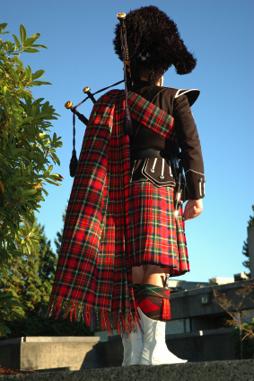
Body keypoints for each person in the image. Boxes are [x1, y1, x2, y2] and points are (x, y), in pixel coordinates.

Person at [48, 5, 205, 366]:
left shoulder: (113, 103)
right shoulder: (174, 99)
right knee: (154, 266)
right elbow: (192, 147)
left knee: (130, 267)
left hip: (121, 185)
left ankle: (134, 353)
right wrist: (197, 195)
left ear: (128, 64)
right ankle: (155, 351)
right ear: (163, 67)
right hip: (159, 183)